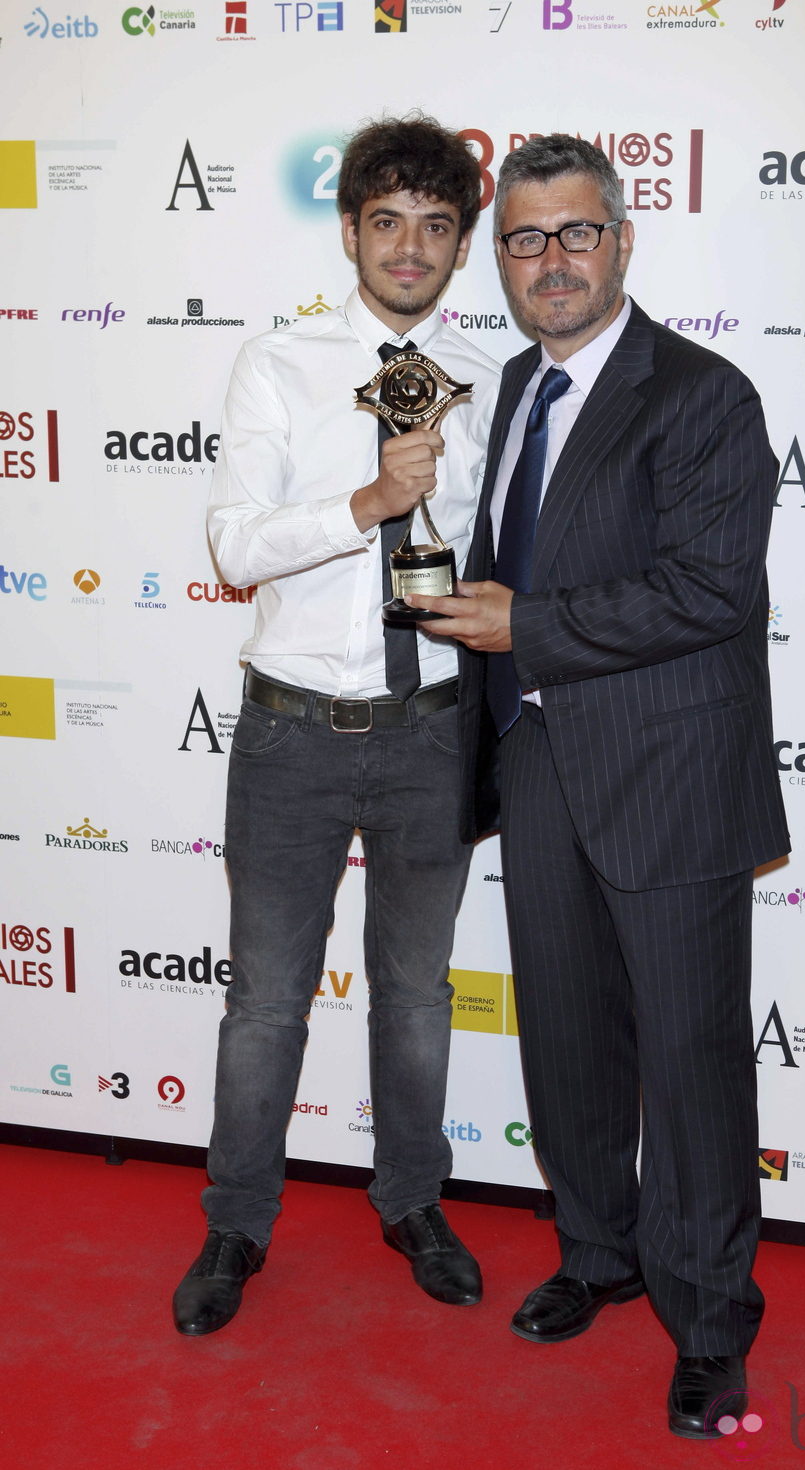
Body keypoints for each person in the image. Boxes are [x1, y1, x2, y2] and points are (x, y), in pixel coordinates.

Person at [410, 134, 790, 1438]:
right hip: (541, 764)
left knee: (688, 1060)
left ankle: (709, 1316)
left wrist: (532, 627)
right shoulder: (507, 387)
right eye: (525, 239)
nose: (552, 260)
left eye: (576, 232)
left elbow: (713, 588)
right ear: (501, 261)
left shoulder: (701, 394)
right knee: (568, 1035)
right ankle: (597, 1251)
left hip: (672, 771)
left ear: (624, 240)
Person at [171, 114, 500, 1337]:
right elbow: (233, 545)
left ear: (460, 243)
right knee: (265, 1000)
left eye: (434, 225)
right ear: (350, 229)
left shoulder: (491, 370)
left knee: (415, 992)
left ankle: (412, 1201)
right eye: (386, 222)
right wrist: (369, 500)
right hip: (292, 734)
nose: (408, 248)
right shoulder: (281, 361)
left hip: (430, 726)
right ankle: (237, 1221)